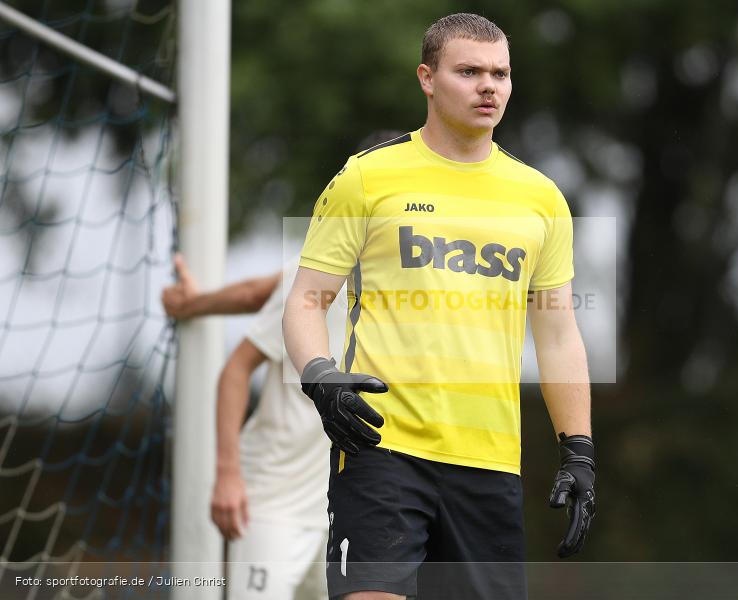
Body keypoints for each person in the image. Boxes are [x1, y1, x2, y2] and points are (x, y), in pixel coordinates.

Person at [283, 13, 594, 600]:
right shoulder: (367, 178)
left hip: (490, 461)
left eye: (500, 73)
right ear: (427, 78)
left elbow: (557, 335)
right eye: (469, 71)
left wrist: (578, 449)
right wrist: (321, 378)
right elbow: (305, 301)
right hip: (382, 448)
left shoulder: (541, 198)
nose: (489, 86)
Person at [163, 255, 332, 600]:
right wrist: (228, 475)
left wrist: (194, 303)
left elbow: (256, 292)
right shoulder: (324, 278)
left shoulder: (408, 293)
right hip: (274, 502)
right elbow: (236, 370)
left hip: (338, 507)